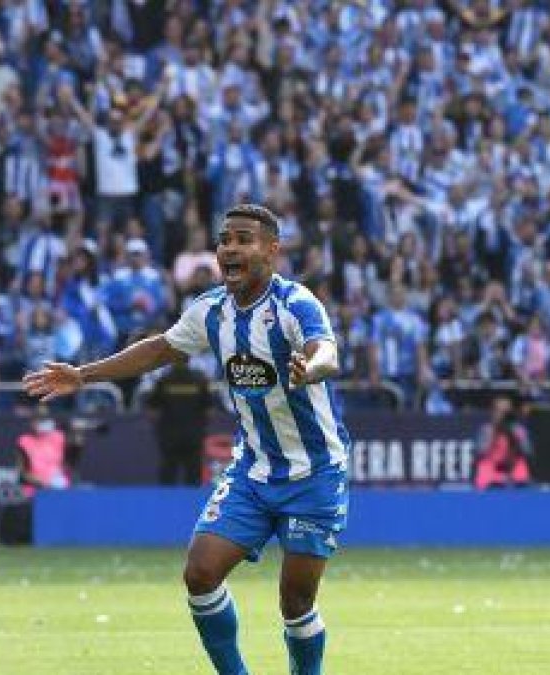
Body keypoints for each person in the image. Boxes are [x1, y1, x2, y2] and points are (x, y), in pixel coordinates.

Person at [25, 204, 350, 675]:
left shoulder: (294, 304)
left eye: (243, 239)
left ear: (272, 250)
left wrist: (312, 367)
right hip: (254, 470)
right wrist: (83, 374)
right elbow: (160, 348)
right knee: (200, 573)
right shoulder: (211, 310)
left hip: (314, 472)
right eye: (225, 240)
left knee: (295, 600)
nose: (230, 249)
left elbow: (327, 351)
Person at [145, 359, 215, 486]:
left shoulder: (164, 380)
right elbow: (209, 411)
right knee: (193, 473)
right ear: (188, 360)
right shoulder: (199, 380)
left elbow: (152, 411)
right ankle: (193, 504)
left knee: (168, 471)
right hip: (194, 433)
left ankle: (165, 502)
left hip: (169, 434)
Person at [472, 395, 532, 490]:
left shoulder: (518, 429)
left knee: (521, 469)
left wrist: (519, 437)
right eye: (499, 410)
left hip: (513, 466)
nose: (502, 414)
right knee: (484, 470)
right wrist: (492, 435)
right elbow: (480, 452)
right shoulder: (486, 430)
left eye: (506, 411)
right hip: (491, 467)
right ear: (493, 412)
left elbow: (528, 452)